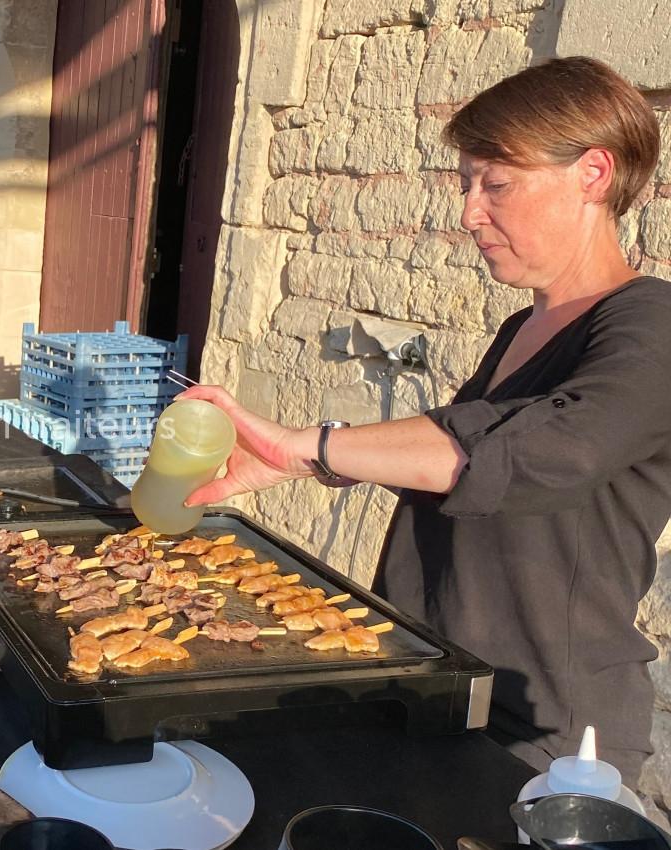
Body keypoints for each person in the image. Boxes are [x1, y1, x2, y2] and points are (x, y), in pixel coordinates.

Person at [180, 57, 665, 785]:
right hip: (435, 681)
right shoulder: (518, 330)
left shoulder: (649, 322)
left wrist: (309, 442)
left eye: (497, 184)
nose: (470, 212)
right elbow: (449, 444)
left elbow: (549, 450)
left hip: (544, 734)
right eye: (466, 184)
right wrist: (299, 461)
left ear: (593, 174)